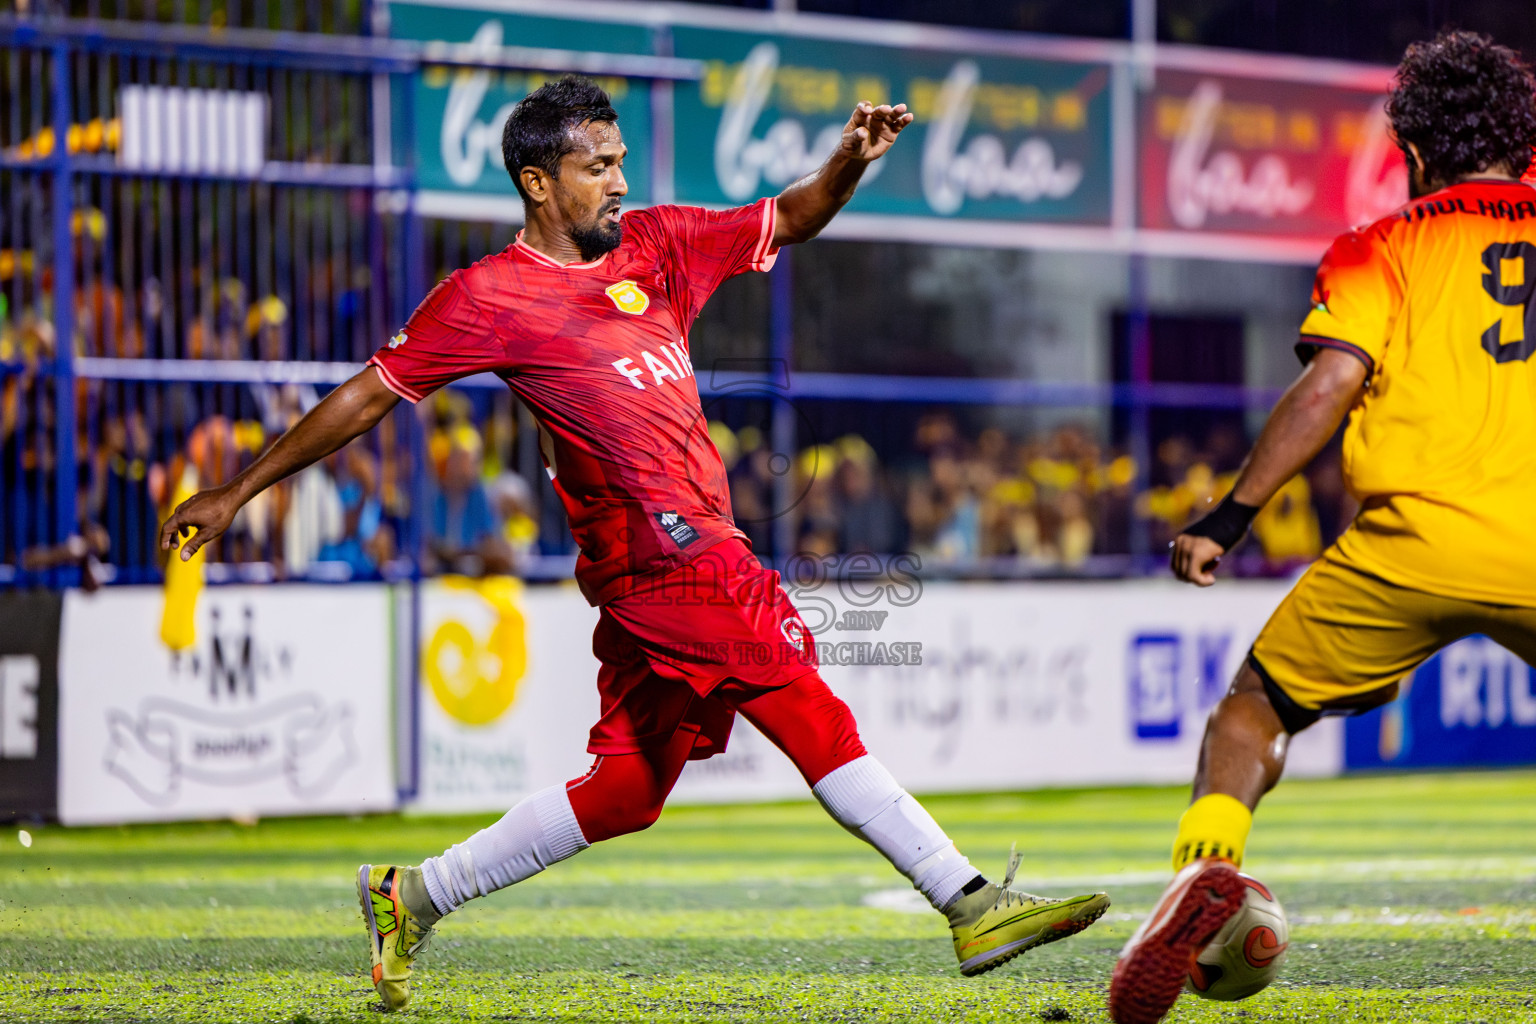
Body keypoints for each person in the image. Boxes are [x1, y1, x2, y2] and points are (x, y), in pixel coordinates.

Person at [161, 75, 1109, 1013]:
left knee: (626, 788)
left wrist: (848, 164)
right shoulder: (488, 296)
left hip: (683, 553)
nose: (619, 181)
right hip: (662, 555)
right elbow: (370, 394)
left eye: (621, 161)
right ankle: (969, 900)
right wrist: (242, 489)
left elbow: (790, 215)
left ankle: (409, 896)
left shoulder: (656, 245)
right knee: (800, 698)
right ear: (539, 183)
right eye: (597, 166)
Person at [1108, 32, 1536, 1024]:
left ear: (1413, 153)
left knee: (1249, 716)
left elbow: (1330, 383)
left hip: (1412, 542)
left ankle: (1203, 879)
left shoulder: (1381, 245)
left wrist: (1229, 516)